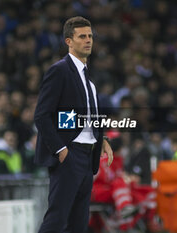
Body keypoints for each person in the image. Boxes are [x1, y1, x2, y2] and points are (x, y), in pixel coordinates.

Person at [34, 16, 113, 233]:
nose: (88, 40)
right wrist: (61, 150)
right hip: (69, 155)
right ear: (69, 41)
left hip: (87, 157)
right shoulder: (59, 71)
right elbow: (42, 115)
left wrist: (101, 138)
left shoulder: (87, 77)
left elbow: (86, 116)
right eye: (82, 36)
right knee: (57, 219)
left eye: (90, 36)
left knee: (78, 223)